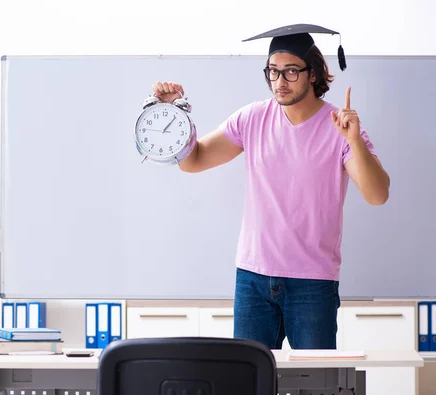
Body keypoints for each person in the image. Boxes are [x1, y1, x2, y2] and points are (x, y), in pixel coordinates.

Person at [150, 24, 390, 350]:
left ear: (314, 74)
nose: (280, 82)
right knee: (249, 384)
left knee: (315, 385)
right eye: (273, 72)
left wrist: (354, 141)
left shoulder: (341, 126)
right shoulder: (252, 118)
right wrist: (173, 112)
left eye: (291, 72)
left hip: (312, 282)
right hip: (253, 278)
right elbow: (194, 160)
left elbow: (377, 195)